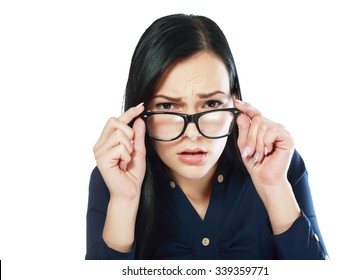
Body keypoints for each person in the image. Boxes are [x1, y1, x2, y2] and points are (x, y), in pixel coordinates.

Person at [85, 13, 329, 260]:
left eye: (211, 104)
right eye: (167, 107)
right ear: (141, 110)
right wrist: (123, 202)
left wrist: (274, 187)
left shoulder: (277, 162)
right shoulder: (115, 176)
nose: (192, 134)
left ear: (235, 101)